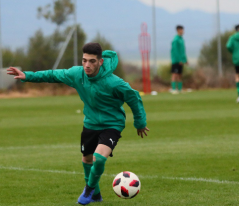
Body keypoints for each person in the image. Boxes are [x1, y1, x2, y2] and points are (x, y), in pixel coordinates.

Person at [7, 43, 150, 204]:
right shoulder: (77, 74)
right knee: (87, 160)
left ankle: (88, 190)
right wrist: (27, 76)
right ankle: (96, 194)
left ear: (100, 62)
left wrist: (140, 122)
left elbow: (134, 98)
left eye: (92, 61)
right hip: (90, 123)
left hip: (112, 124)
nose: (87, 65)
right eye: (84, 60)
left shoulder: (114, 82)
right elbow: (53, 75)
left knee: (99, 158)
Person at [170, 25, 187, 94]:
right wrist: (179, 59)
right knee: (175, 74)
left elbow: (182, 51)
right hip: (176, 60)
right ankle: (173, 89)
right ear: (178, 30)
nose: (183, 31)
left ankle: (180, 89)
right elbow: (175, 51)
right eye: (181, 30)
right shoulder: (176, 39)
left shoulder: (181, 39)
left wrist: (185, 59)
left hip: (181, 60)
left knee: (180, 74)